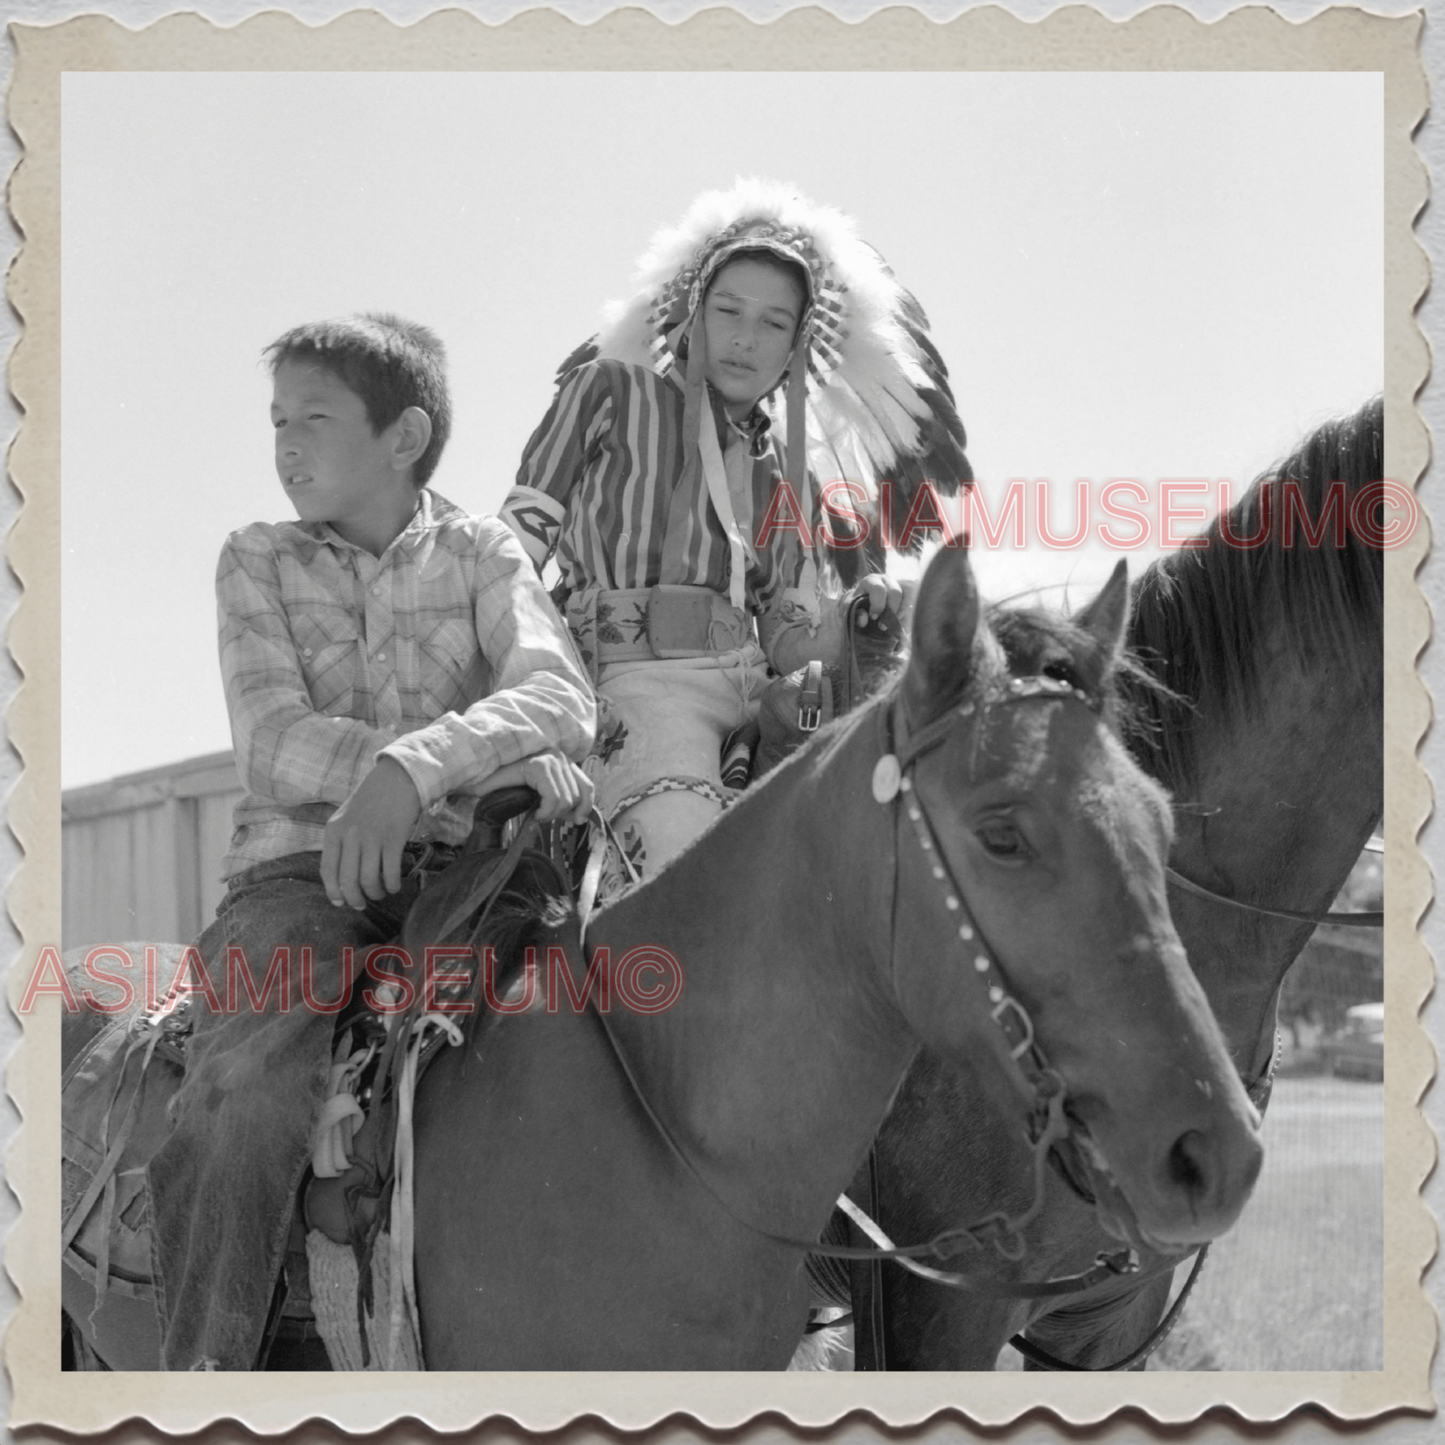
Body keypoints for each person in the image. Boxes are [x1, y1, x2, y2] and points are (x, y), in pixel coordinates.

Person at [147, 313, 596, 1370]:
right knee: (244, 1094)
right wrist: (459, 768)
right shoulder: (255, 559)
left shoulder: (482, 550)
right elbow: (272, 744)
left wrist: (410, 776)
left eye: (314, 417)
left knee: (605, 1036)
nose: (284, 445)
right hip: (293, 878)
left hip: (465, 873)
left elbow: (559, 694)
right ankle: (200, 1385)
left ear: (404, 436)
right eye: (276, 422)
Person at [500, 179, 969, 889]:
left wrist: (854, 613)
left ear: (796, 345)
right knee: (685, 865)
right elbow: (512, 555)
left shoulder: (784, 479)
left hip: (750, 700)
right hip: (623, 684)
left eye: (774, 323)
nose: (745, 338)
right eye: (727, 310)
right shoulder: (606, 394)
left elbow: (789, 636)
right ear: (694, 313)